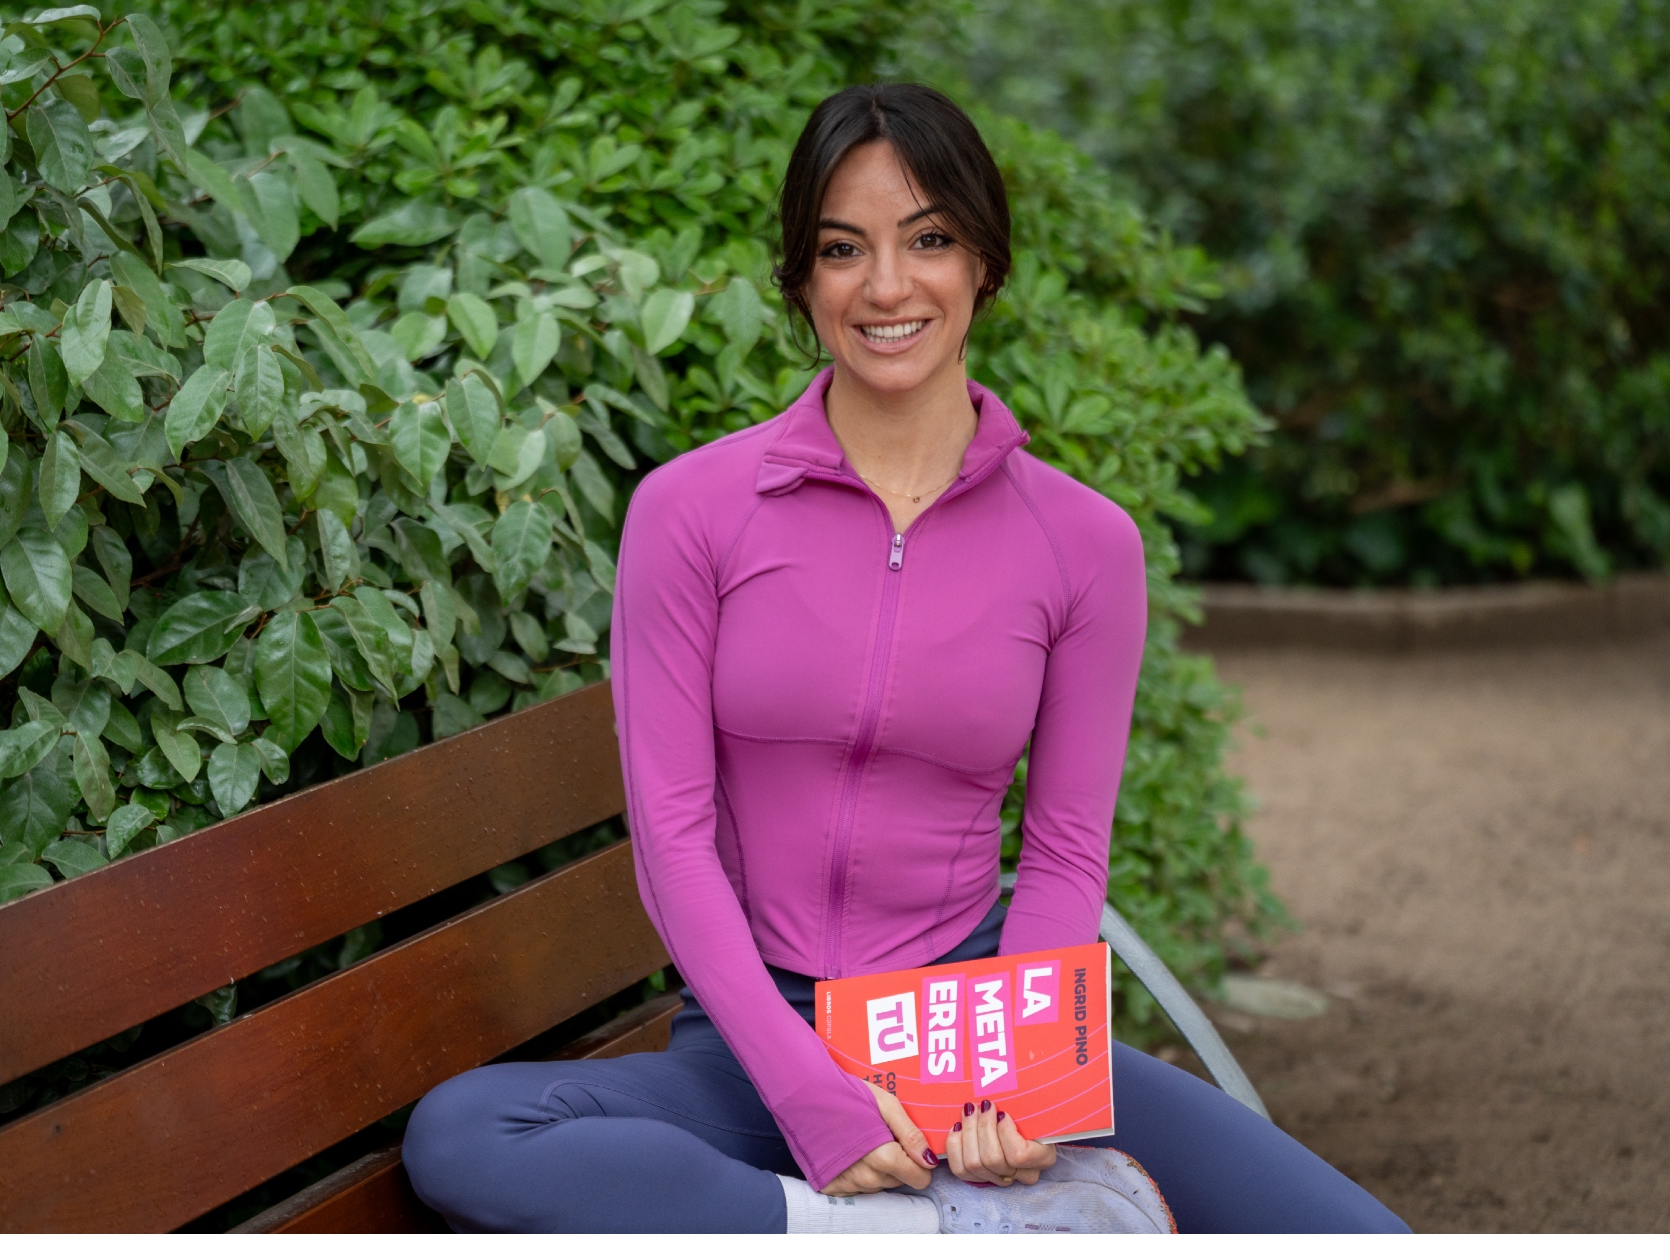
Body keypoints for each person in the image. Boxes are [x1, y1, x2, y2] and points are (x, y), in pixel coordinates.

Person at [401, 83, 1410, 1234]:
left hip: (980, 1025)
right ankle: (886, 1235)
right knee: (465, 1134)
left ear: (984, 260)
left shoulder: (1083, 545)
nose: (887, 286)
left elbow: (1068, 845)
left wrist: (1029, 1078)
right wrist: (809, 1097)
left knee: (1361, 1240)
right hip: (756, 1045)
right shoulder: (693, 513)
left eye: (927, 239)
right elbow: (674, 844)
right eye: (844, 249)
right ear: (802, 280)